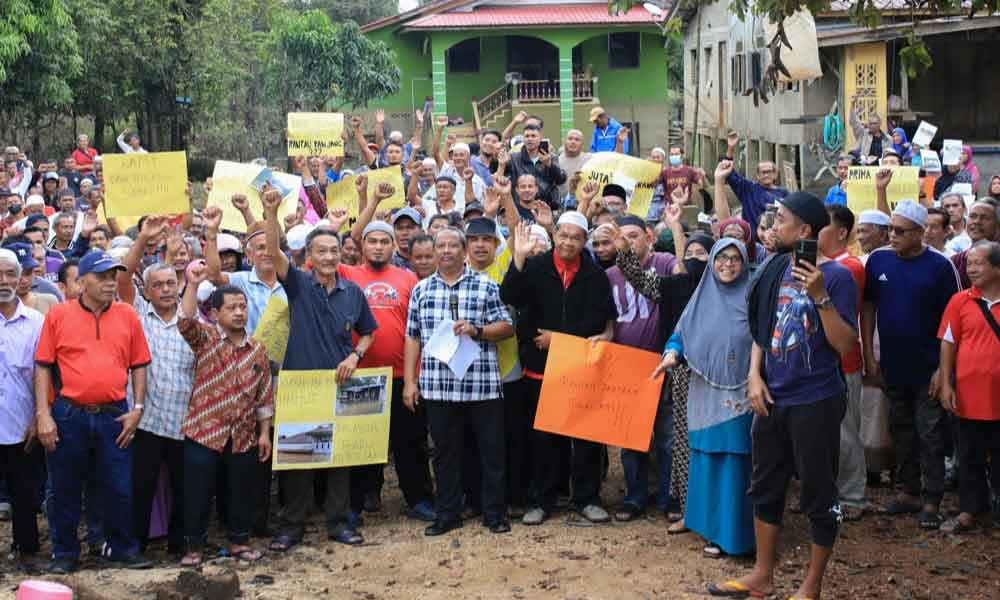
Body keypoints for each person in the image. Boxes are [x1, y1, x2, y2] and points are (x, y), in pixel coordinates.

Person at [713, 192, 858, 600]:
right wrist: (754, 376)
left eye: (781, 220)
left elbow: (845, 344)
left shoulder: (838, 277)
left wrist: (819, 296)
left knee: (817, 491)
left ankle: (810, 587)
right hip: (771, 396)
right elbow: (763, 326)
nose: (774, 227)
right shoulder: (776, 265)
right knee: (765, 485)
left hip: (815, 398)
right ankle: (762, 575)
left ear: (805, 230)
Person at [261, 189, 377, 551]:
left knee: (339, 458)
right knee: (298, 461)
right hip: (302, 386)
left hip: (340, 385)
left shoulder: (353, 292)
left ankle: (338, 523)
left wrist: (355, 356)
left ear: (341, 254)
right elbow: (273, 251)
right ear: (308, 257)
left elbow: (369, 333)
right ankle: (292, 527)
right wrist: (270, 210)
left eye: (334, 250)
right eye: (321, 251)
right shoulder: (297, 284)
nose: (328, 256)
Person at [34, 249, 153, 573]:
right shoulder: (59, 315)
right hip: (69, 413)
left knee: (118, 485)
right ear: (82, 281)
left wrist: (138, 407)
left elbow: (139, 363)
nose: (110, 283)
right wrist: (43, 415)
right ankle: (65, 553)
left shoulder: (127, 315)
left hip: (115, 413)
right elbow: (43, 366)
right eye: (102, 277)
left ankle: (120, 548)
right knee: (64, 487)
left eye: (113, 276)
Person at [501, 211, 617, 525]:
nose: (568, 242)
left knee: (586, 438)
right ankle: (541, 500)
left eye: (575, 237)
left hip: (581, 368)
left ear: (584, 241)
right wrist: (519, 260)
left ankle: (587, 498)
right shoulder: (536, 267)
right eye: (563, 235)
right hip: (541, 369)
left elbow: (600, 320)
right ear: (555, 236)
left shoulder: (594, 275)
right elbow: (509, 295)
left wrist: (561, 340)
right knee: (543, 440)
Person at [404, 226, 514, 535]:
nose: (447, 250)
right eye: (442, 245)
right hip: (438, 387)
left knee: (491, 453)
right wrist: (411, 382)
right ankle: (447, 514)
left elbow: (506, 327)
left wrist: (477, 330)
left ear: (464, 251)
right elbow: (412, 337)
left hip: (481, 386)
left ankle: (494, 513)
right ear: (434, 251)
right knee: (444, 454)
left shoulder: (485, 285)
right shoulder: (421, 290)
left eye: (454, 245)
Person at [862, 200, 960, 530]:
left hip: (929, 368)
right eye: (890, 229)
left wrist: (943, 371)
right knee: (900, 429)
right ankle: (908, 491)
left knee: (930, 432)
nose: (893, 236)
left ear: (921, 233)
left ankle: (933, 497)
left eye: (901, 231)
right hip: (893, 366)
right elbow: (869, 308)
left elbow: (954, 320)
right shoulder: (878, 261)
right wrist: (869, 356)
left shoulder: (941, 267)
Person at [653, 238, 754, 558]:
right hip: (703, 395)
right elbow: (680, 334)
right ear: (711, 261)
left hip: (741, 395)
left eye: (735, 258)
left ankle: (736, 536)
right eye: (721, 257)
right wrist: (672, 354)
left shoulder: (753, 299)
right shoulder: (700, 298)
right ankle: (711, 530)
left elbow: (764, 340)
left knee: (735, 463)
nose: (727, 264)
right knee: (707, 459)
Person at [339, 220, 436, 523]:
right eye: (372, 241)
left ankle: (418, 499)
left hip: (402, 375)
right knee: (361, 445)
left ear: (395, 246)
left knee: (411, 444)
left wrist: (413, 378)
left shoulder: (408, 278)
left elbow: (416, 330)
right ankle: (356, 503)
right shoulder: (349, 275)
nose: (378, 246)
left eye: (384, 241)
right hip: (361, 376)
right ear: (362, 246)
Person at [177, 266, 272, 567]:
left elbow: (265, 396)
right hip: (204, 431)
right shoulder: (205, 339)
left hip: (243, 434)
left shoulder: (257, 349)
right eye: (231, 308)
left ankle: (239, 542)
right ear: (215, 314)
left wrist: (265, 433)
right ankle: (193, 548)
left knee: (240, 492)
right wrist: (192, 284)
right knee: (197, 493)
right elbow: (184, 320)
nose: (239, 313)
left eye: (243, 307)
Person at [116, 216, 195, 558]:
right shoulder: (136, 317)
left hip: (183, 422)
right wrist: (142, 241)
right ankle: (135, 547)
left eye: (169, 284)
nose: (165, 289)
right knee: (141, 488)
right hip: (145, 422)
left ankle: (179, 547)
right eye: (157, 285)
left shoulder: (192, 321)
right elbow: (121, 279)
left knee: (183, 489)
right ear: (146, 291)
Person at [604, 213, 676, 522]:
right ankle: (635, 496)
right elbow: (608, 318)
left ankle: (669, 497)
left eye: (634, 235)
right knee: (632, 438)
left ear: (649, 236)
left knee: (667, 436)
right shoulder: (610, 276)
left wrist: (675, 228)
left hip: (663, 362)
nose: (628, 242)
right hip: (626, 364)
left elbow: (683, 277)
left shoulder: (665, 263)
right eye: (623, 237)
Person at [937, 241, 1000, 533]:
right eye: (969, 263)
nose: (971, 269)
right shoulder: (960, 301)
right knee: (970, 454)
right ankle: (970, 509)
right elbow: (948, 343)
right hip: (969, 394)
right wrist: (946, 383)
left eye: (979, 263)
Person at [819, 204, 869, 520]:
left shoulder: (848, 267)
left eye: (822, 225)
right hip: (822, 362)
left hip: (843, 360)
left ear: (840, 232)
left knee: (845, 431)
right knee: (824, 433)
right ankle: (828, 492)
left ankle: (852, 495)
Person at [0, 248, 46, 566]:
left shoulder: (36, 323)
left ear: (20, 279)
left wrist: (39, 415)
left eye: (10, 274)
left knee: (24, 493)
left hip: (22, 422)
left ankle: (26, 551)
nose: (4, 281)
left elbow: (44, 372)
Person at [719, 136, 789, 234]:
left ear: (775, 174)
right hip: (753, 240)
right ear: (757, 175)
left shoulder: (784, 193)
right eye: (763, 172)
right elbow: (729, 173)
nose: (766, 175)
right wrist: (730, 149)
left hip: (776, 239)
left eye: (769, 171)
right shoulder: (749, 189)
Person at [503, 124, 566, 209]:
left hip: (547, 206)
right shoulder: (514, 158)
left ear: (540, 138)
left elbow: (560, 180)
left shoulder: (551, 157)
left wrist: (549, 164)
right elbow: (499, 175)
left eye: (533, 136)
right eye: (527, 136)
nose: (530, 139)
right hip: (521, 207)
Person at [950, 200, 999, 289]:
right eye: (972, 216)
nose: (977, 221)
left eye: (985, 218)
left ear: (997, 225)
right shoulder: (955, 262)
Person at [848, 100, 887, 165]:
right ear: (868, 125)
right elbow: (853, 122)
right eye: (870, 124)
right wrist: (852, 104)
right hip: (864, 167)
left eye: (874, 123)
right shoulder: (862, 134)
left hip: (880, 167)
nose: (872, 126)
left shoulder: (888, 139)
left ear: (880, 124)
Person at [556, 129, 591, 200]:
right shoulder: (555, 161)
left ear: (582, 143)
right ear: (564, 142)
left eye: (577, 140)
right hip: (561, 205)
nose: (573, 142)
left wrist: (619, 142)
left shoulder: (590, 159)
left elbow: (614, 160)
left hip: (583, 203)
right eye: (570, 139)